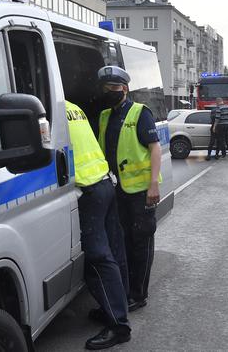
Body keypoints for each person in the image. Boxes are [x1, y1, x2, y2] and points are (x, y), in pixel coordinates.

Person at [65, 100, 131, 350]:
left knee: (98, 258)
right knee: (114, 250)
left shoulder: (48, 106)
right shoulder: (72, 106)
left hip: (88, 189)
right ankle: (115, 308)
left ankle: (119, 325)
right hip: (103, 181)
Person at [97, 66, 162, 313]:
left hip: (141, 191)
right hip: (117, 190)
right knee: (122, 241)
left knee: (141, 242)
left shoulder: (139, 113)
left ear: (124, 89)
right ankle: (125, 291)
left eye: (113, 88)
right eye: (105, 88)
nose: (109, 92)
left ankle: (139, 294)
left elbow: (154, 148)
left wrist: (153, 184)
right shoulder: (105, 116)